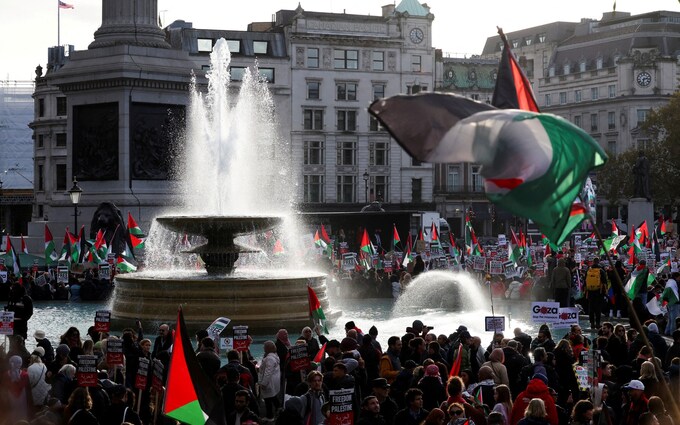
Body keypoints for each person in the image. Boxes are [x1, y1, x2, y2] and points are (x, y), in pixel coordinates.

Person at [258, 340, 281, 421]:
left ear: (268, 348)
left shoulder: (269, 359)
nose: (263, 349)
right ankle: (280, 409)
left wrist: (264, 383)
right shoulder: (275, 356)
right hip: (273, 382)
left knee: (268, 399)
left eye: (264, 347)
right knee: (273, 397)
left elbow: (268, 372)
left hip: (269, 382)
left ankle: (269, 416)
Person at [585, 257, 607, 330]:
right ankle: (597, 324)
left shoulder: (588, 270)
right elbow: (604, 282)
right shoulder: (601, 271)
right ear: (599, 262)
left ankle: (592, 324)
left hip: (590, 292)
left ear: (593, 262)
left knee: (591, 308)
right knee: (598, 308)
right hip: (599, 292)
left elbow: (585, 281)